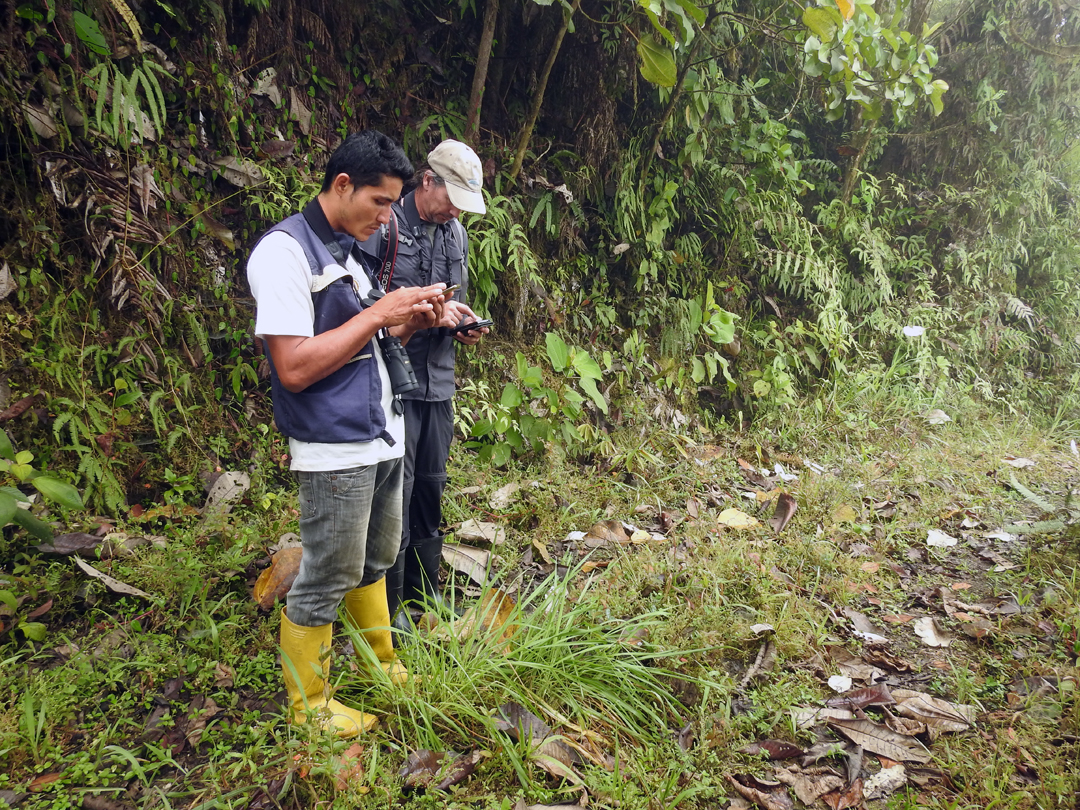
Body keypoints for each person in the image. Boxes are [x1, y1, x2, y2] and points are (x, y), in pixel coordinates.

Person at [247, 131, 450, 738]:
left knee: (377, 557)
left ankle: (379, 661)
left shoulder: (348, 250)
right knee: (327, 572)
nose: (389, 217)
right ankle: (309, 703)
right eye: (381, 202)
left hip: (381, 433)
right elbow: (295, 365)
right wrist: (377, 314)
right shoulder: (284, 253)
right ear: (342, 186)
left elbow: (372, 344)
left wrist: (410, 320)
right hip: (335, 446)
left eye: (393, 204)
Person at [360, 139, 489, 631]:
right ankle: (389, 610)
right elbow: (366, 303)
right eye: (451, 196)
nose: (456, 209)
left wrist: (466, 326)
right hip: (396, 381)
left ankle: (425, 590)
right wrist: (418, 317)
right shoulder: (385, 227)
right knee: (399, 489)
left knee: (431, 485)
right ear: (426, 181)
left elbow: (459, 301)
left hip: (440, 382)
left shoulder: (455, 235)